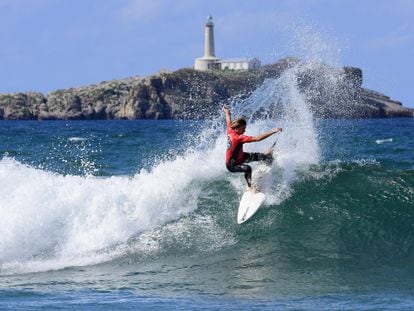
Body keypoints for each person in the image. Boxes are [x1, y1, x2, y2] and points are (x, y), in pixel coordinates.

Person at [223, 106, 282, 192]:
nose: (245, 131)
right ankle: (250, 187)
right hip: (232, 165)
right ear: (237, 128)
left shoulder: (230, 129)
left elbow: (228, 118)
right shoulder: (238, 137)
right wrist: (273, 131)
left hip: (241, 157)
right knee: (247, 169)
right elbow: (257, 138)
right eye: (243, 129)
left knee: (263, 157)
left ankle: (267, 158)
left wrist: (226, 111)